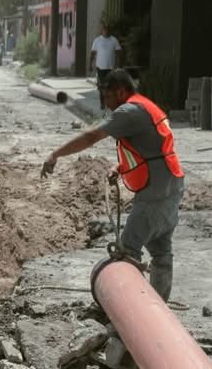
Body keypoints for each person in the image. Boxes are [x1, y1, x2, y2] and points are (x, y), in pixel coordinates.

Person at [39, 68, 184, 300]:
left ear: (120, 91)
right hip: (171, 183)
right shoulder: (144, 105)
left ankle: (131, 310)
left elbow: (90, 137)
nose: (106, 105)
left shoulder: (128, 111)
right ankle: (159, 307)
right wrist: (121, 167)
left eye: (107, 97)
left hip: (156, 190)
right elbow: (151, 147)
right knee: (161, 251)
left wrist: (55, 154)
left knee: (128, 251)